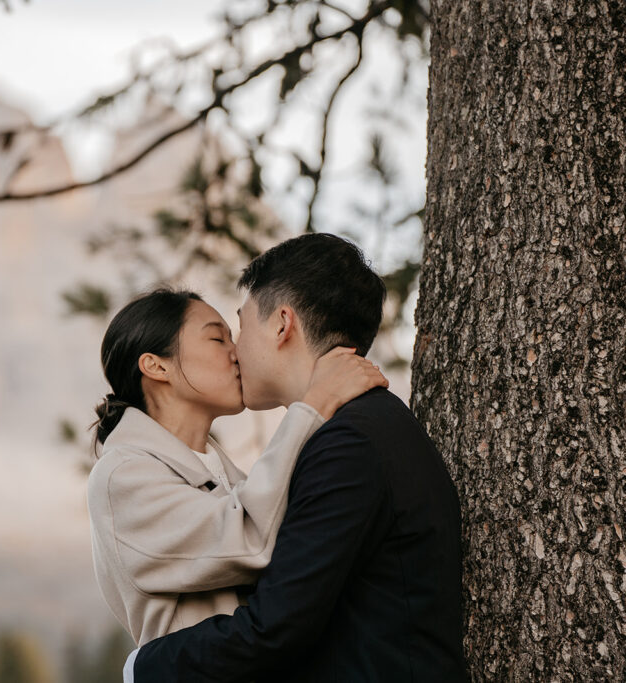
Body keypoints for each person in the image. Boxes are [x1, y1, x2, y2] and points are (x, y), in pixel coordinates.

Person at [127, 233, 467, 682]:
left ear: (282, 325)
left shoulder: (348, 443)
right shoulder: (366, 425)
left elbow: (274, 628)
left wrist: (142, 666)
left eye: (241, 327)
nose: (235, 352)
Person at [87, 287, 388, 648]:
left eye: (234, 336)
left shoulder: (221, 471)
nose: (237, 353)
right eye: (217, 338)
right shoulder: (123, 476)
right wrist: (314, 405)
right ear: (156, 366)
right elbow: (250, 539)